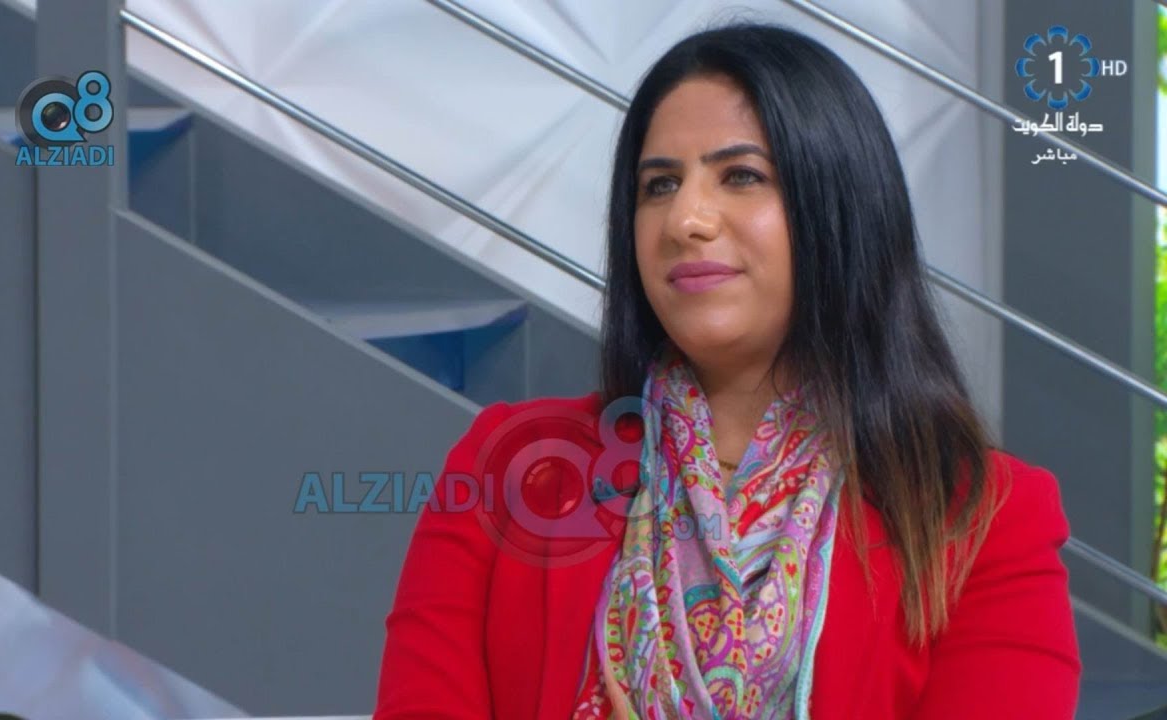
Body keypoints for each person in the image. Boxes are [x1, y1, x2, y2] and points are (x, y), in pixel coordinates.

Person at [375, 21, 1081, 720]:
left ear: (841, 208)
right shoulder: (512, 468)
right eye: (659, 185)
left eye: (741, 176)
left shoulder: (984, 518)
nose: (685, 218)